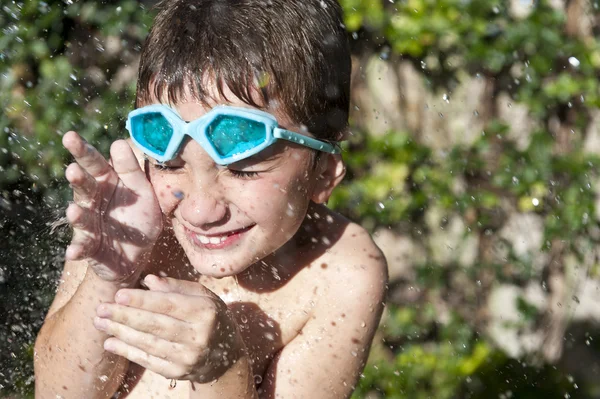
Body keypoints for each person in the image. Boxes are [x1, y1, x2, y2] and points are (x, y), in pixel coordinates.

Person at [34, 0, 388, 397]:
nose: (200, 210)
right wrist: (108, 279)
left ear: (322, 173)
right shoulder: (130, 196)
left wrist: (221, 367)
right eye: (169, 164)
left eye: (244, 169)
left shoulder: (341, 274)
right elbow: (56, 392)